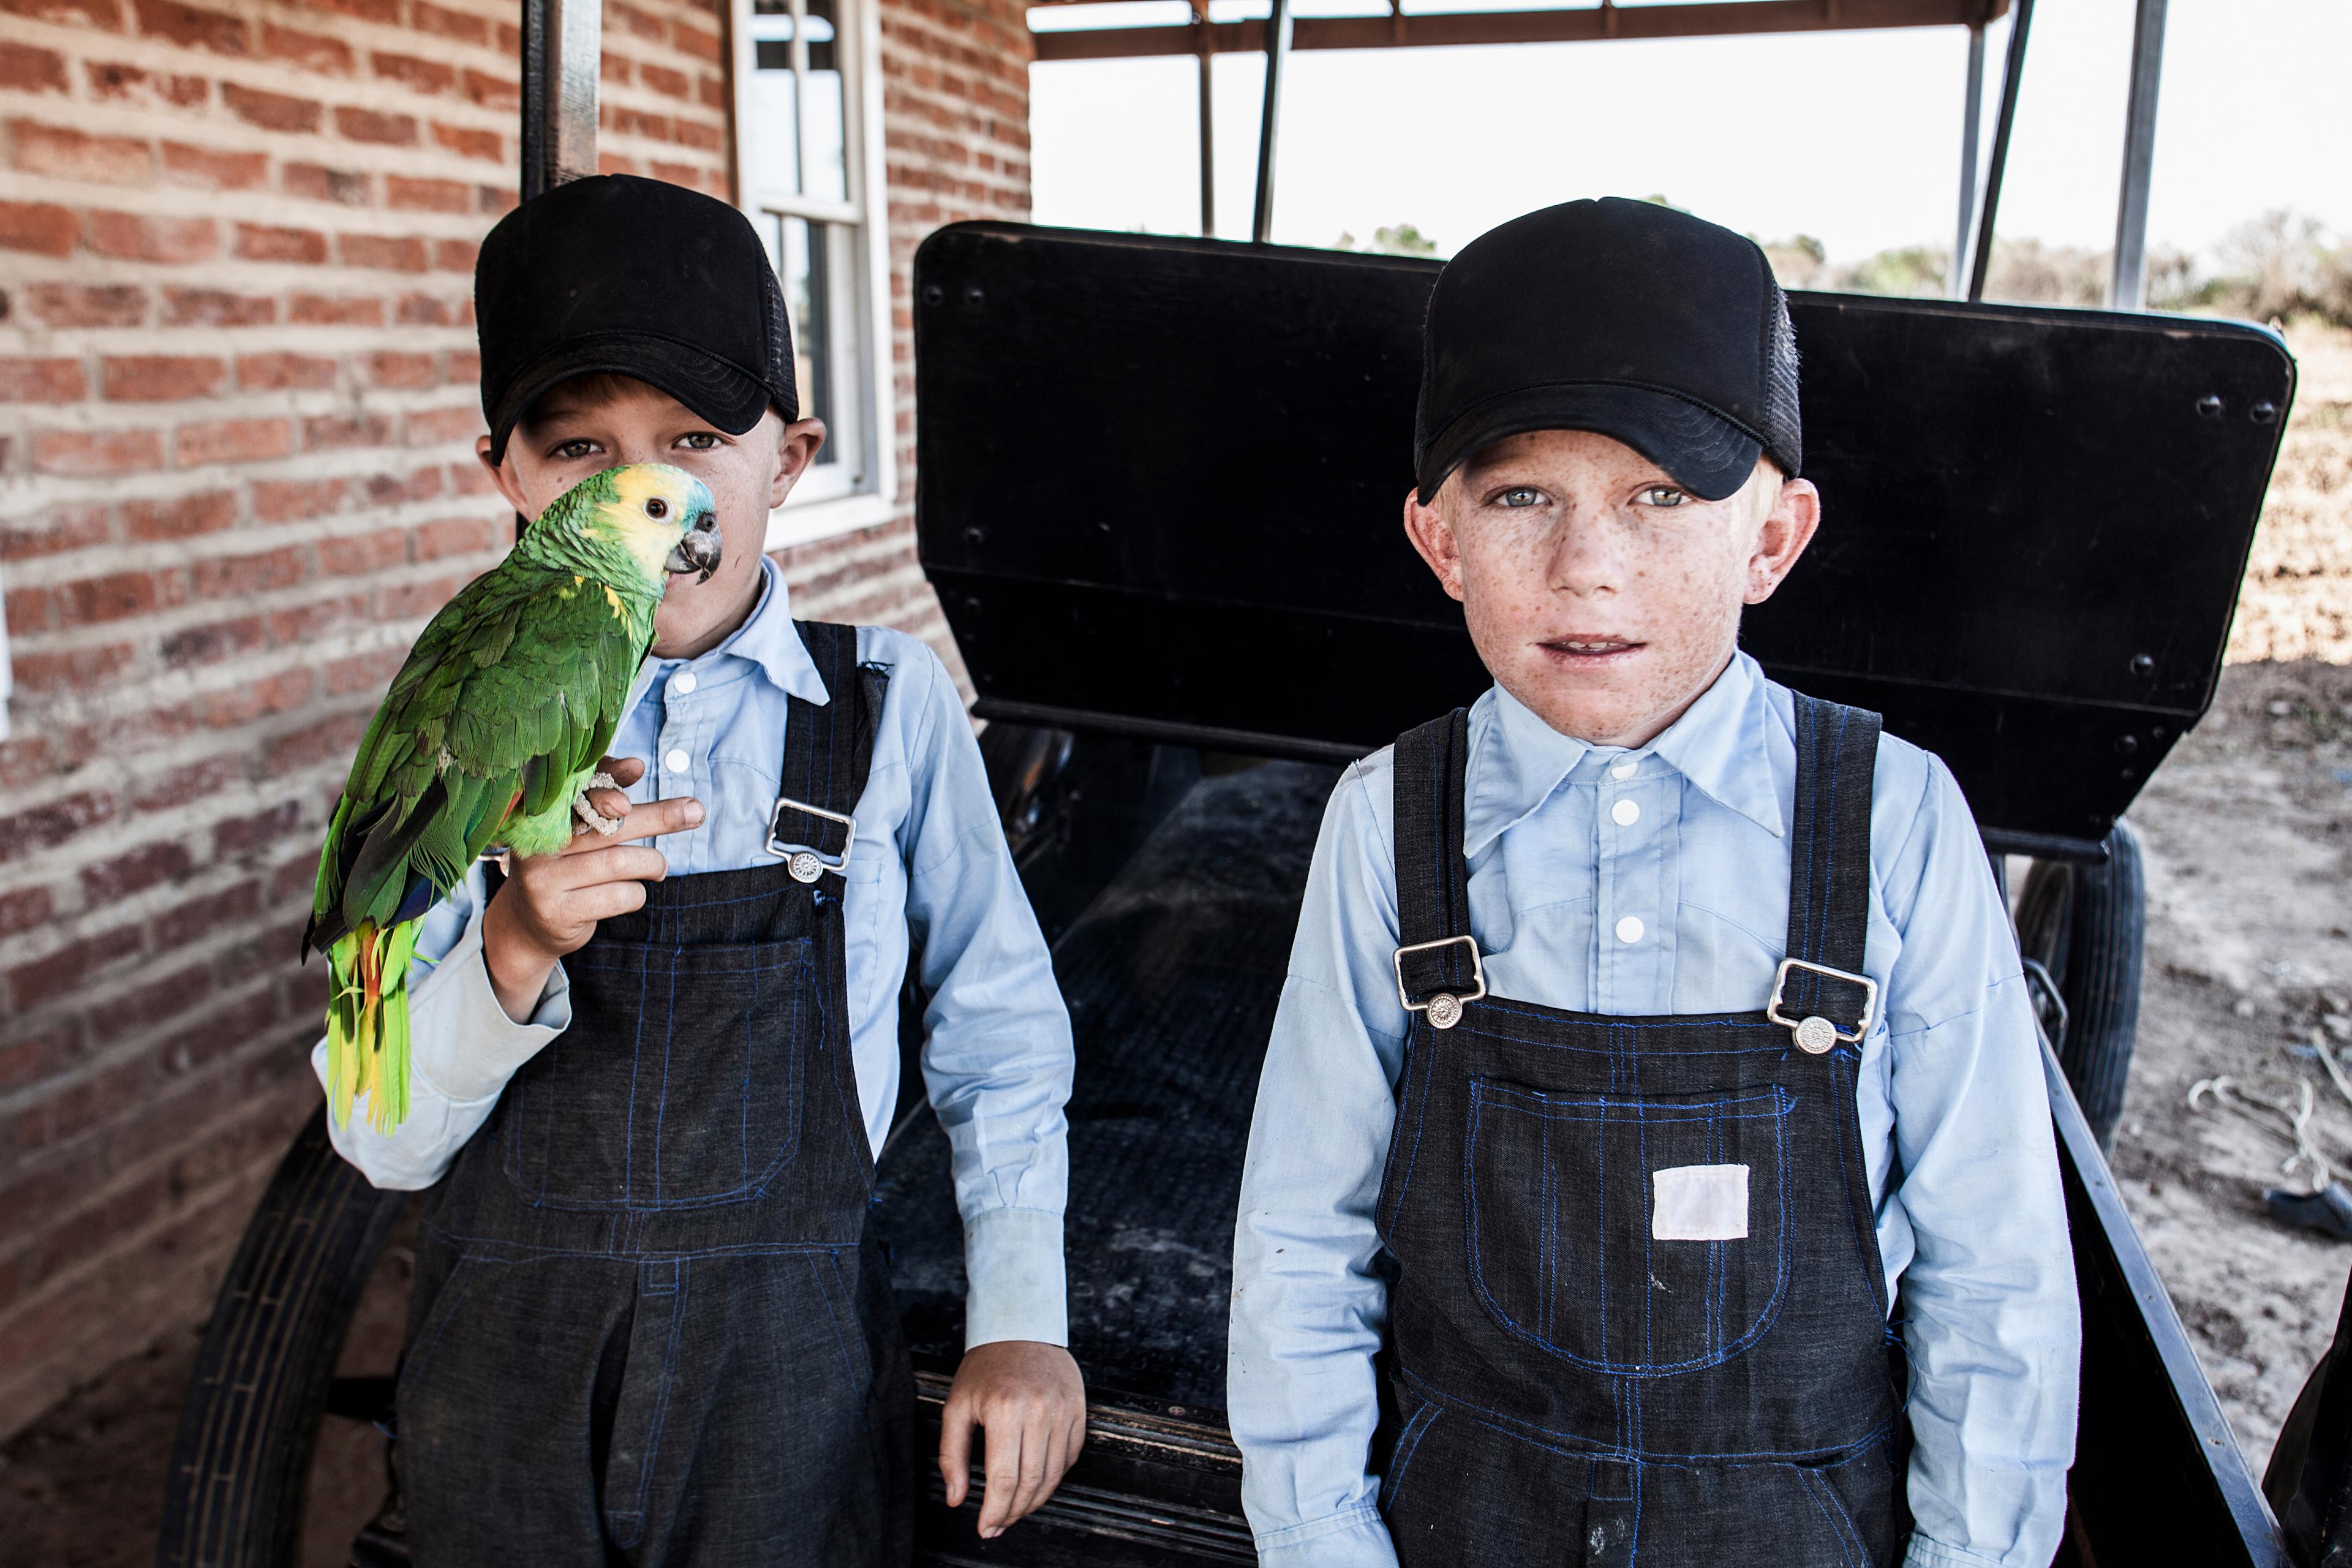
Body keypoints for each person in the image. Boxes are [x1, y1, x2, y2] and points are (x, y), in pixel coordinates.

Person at [1226, 198, 2079, 1567]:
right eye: (1520, 497)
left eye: (1660, 495)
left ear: (1774, 539)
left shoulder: (1895, 818)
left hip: (1796, 1521)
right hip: (1467, 1513)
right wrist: (1324, 1538)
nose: (1589, 565)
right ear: (1439, 540)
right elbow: (1300, 1237)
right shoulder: (1386, 822)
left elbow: (1996, 1271)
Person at [312, 173, 1085, 1566]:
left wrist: (1020, 1313)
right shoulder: (452, 726)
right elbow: (378, 1138)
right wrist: (514, 942)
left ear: (788, 457)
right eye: (574, 449)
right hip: (504, 1368)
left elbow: (1001, 1033)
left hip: (788, 1367)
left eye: (694, 438)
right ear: (505, 471)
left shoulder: (889, 705)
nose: (634, 494)